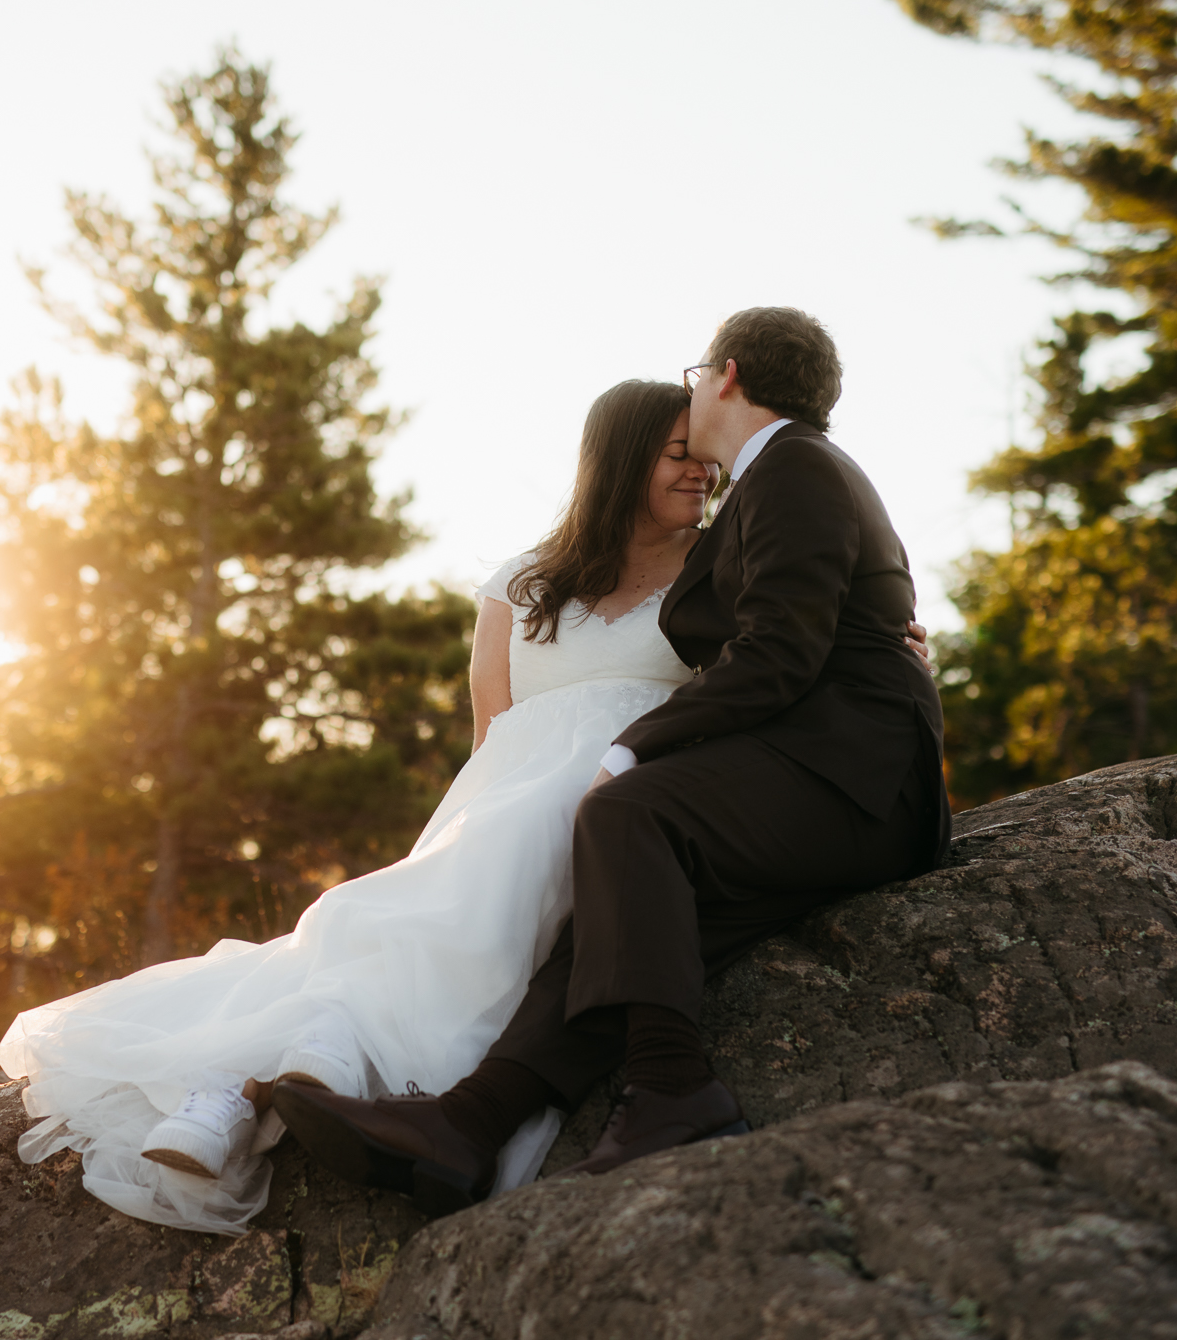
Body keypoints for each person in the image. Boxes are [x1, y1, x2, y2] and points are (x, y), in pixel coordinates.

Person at [0, 378, 723, 1235]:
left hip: (620, 797)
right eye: (680, 453)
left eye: (706, 455)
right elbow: (494, 731)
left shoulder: (718, 566)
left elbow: (769, 662)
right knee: (400, 910)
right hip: (502, 800)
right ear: (623, 458)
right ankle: (252, 1081)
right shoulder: (520, 583)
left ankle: (261, 1078)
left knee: (465, 900)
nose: (701, 471)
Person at [274, 307, 951, 1217]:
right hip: (832, 776)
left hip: (858, 779)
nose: (689, 399)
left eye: (695, 374)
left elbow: (778, 655)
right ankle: (465, 1126)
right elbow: (792, 615)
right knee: (627, 919)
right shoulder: (774, 482)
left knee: (633, 812)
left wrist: (631, 748)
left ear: (728, 376)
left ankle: (674, 1091)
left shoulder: (795, 467)